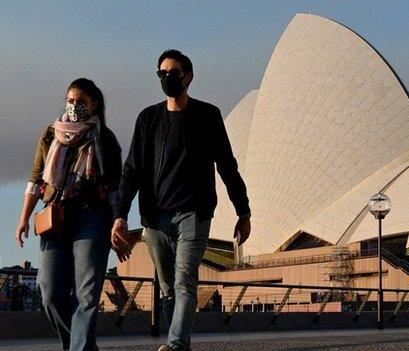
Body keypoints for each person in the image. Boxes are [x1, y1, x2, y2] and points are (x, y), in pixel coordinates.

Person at [111, 49, 251, 351]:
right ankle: (180, 345)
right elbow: (132, 169)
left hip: (194, 213)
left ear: (188, 76)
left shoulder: (208, 116)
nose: (167, 78)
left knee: (185, 280)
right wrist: (120, 214)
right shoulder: (148, 118)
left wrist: (244, 211)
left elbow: (227, 165)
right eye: (162, 73)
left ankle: (174, 345)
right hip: (155, 217)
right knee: (167, 288)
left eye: (173, 72)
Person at [15, 78, 122, 351]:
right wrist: (23, 218)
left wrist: (118, 224)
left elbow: (114, 190)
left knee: (87, 294)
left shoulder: (105, 139)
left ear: (94, 104)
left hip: (93, 218)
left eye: (81, 102)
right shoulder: (51, 133)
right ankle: (75, 344)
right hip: (56, 215)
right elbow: (35, 180)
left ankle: (79, 347)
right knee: (48, 291)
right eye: (71, 101)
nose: (74, 107)